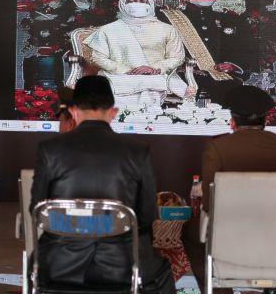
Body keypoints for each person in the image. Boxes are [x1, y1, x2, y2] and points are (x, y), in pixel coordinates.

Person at [30, 75, 174, 293]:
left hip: (58, 265)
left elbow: (37, 210)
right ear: (113, 112)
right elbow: (146, 216)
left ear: (73, 112)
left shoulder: (49, 150)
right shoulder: (137, 151)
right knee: (160, 271)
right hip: (123, 265)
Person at [183, 85, 276, 292]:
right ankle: (271, 283)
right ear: (265, 120)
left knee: (191, 232)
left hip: (231, 234)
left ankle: (218, 290)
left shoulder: (218, 147)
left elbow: (209, 205)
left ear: (233, 120)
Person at [161, 0, 256, 105]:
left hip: (222, 77)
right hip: (181, 74)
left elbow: (245, 47)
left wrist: (233, 65)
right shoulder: (169, 18)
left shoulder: (230, 19)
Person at [85, 0, 192, 110]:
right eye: (132, 1)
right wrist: (126, 70)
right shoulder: (108, 30)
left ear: (150, 4)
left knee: (154, 84)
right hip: (118, 75)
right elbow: (98, 58)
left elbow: (177, 57)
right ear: (123, 4)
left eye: (142, 1)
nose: (137, 4)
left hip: (158, 75)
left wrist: (155, 68)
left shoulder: (167, 29)